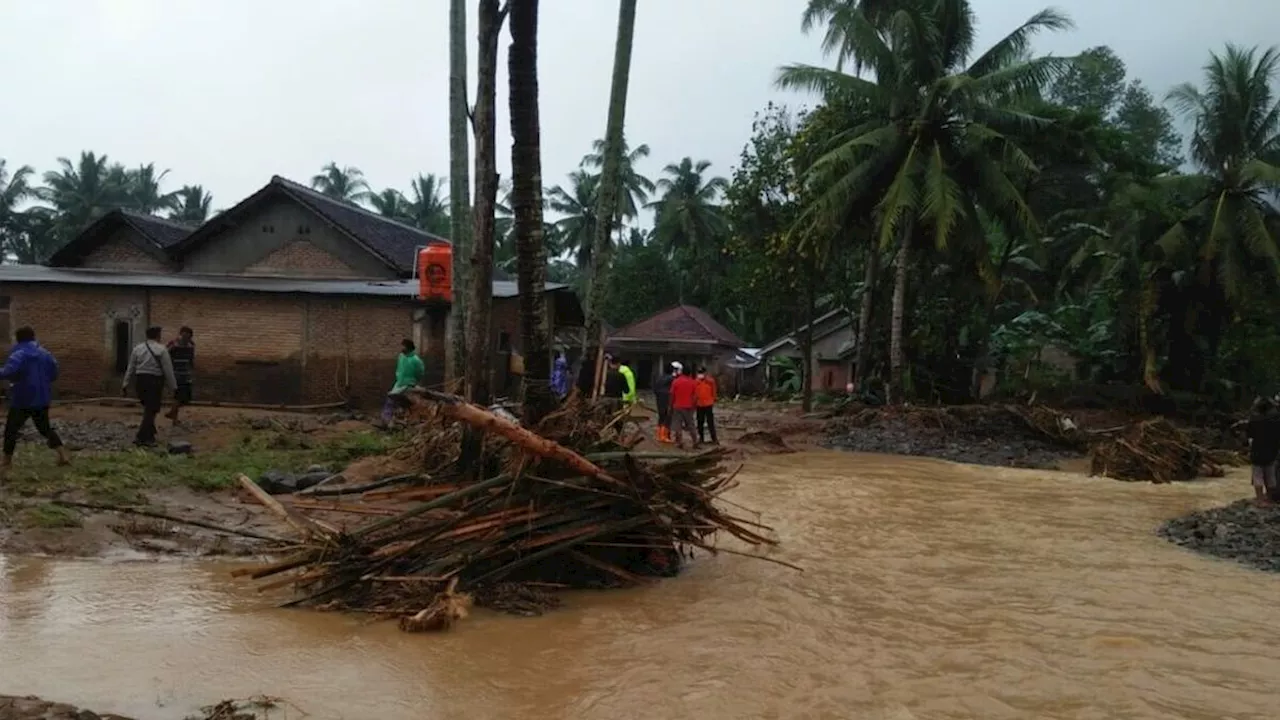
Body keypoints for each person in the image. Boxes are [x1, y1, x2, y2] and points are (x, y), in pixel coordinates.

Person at [0, 327, 70, 477]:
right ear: (33, 337)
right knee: (44, 428)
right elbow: (54, 372)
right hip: (42, 398)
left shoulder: (18, 354)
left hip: (22, 399)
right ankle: (63, 455)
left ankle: (6, 463)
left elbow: (8, 371)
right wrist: (43, 382)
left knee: (11, 430)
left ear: (18, 339)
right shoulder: (46, 354)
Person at [122, 326, 176, 447]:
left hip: (140, 381)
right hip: (155, 381)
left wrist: (125, 383)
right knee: (151, 409)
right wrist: (174, 387)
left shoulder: (137, 348)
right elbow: (168, 370)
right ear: (158, 335)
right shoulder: (161, 349)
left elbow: (130, 367)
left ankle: (150, 434)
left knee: (149, 408)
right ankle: (141, 437)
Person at [1246, 396, 1280, 506]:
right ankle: (1269, 499)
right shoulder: (1276, 421)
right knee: (1271, 477)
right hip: (1272, 451)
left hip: (1257, 451)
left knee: (1257, 476)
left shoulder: (1254, 420)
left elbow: (1250, 437)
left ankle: (1260, 500)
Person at [383, 339, 425, 426]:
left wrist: (413, 382)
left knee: (392, 399)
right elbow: (399, 369)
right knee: (392, 399)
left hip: (409, 384)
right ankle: (388, 420)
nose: (402, 348)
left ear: (409, 347)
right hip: (399, 383)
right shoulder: (401, 356)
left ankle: (389, 420)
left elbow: (420, 373)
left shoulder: (416, 360)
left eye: (403, 346)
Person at [164, 326, 195, 424]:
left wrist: (192, 371)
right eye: (184, 336)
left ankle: (172, 413)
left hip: (186, 373)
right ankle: (174, 417)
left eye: (188, 336)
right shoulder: (173, 344)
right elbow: (165, 356)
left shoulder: (191, 345)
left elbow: (191, 359)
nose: (186, 338)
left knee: (185, 397)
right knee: (178, 395)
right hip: (175, 373)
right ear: (180, 334)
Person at [669, 365, 699, 450]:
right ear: (690, 373)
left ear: (681, 372)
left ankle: (679, 442)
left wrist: (670, 406)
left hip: (677, 406)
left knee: (677, 426)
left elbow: (672, 395)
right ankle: (695, 442)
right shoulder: (693, 382)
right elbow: (696, 397)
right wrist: (693, 407)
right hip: (689, 407)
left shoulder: (676, 382)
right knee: (691, 425)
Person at [653, 361, 679, 444]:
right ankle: (665, 436)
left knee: (661, 417)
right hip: (667, 400)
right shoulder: (672, 379)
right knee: (667, 418)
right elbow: (674, 391)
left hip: (659, 400)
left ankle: (659, 435)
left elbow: (655, 389)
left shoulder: (659, 378)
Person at [695, 366, 719, 445]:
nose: (700, 374)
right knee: (700, 422)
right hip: (699, 404)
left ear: (705, 373)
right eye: (699, 373)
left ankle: (714, 439)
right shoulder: (696, 382)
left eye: (702, 373)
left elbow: (714, 391)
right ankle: (701, 438)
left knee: (710, 422)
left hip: (708, 404)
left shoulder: (710, 381)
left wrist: (714, 398)